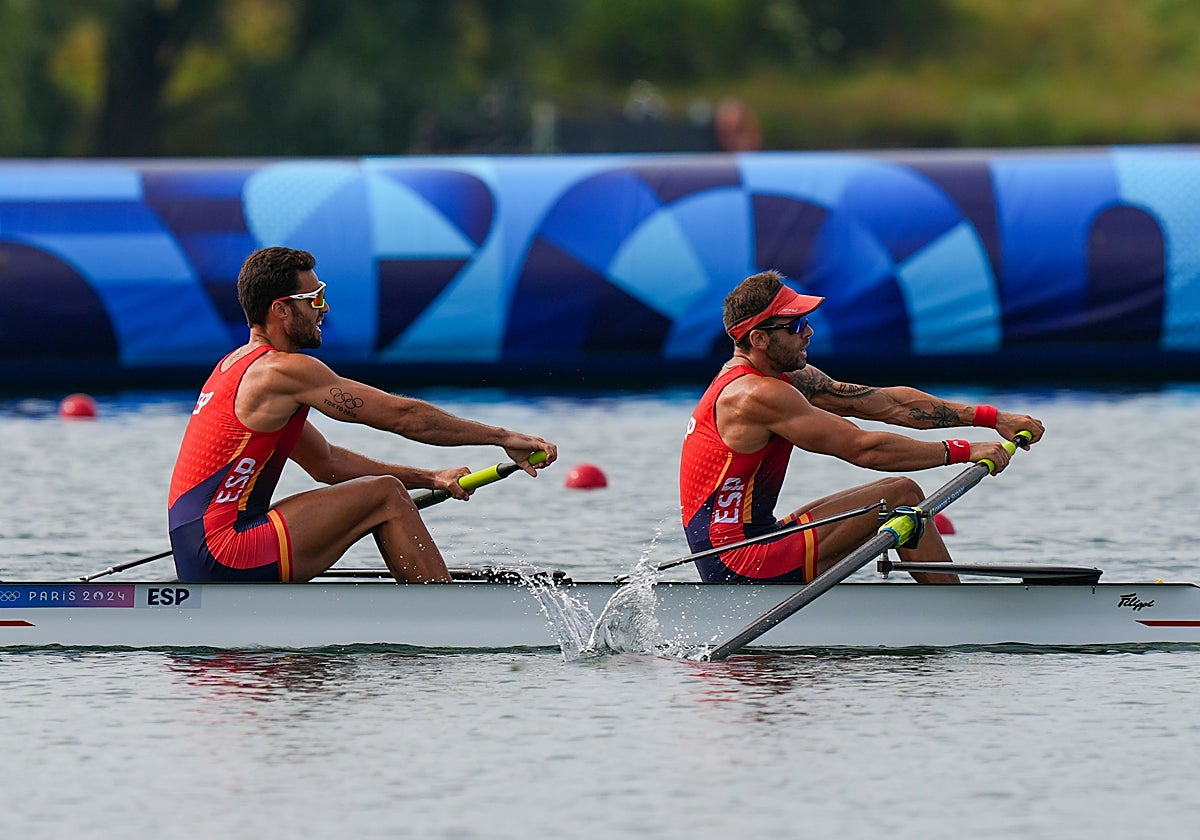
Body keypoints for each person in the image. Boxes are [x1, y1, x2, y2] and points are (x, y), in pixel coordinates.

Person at [168, 247, 557, 584]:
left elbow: (327, 463)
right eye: (315, 299)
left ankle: (430, 602)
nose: (325, 308)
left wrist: (431, 478)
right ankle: (446, 618)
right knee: (385, 494)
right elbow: (402, 416)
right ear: (281, 310)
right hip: (224, 550)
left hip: (201, 548)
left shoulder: (234, 367)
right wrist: (502, 437)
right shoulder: (282, 371)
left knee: (385, 490)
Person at [680, 269, 1045, 585]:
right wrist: (964, 451)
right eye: (796, 325)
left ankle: (946, 608)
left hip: (754, 539)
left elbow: (885, 404)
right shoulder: (755, 394)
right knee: (901, 495)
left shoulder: (783, 377)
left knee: (894, 493)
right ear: (759, 339)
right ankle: (957, 618)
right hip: (737, 560)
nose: (808, 332)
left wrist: (992, 418)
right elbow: (863, 448)